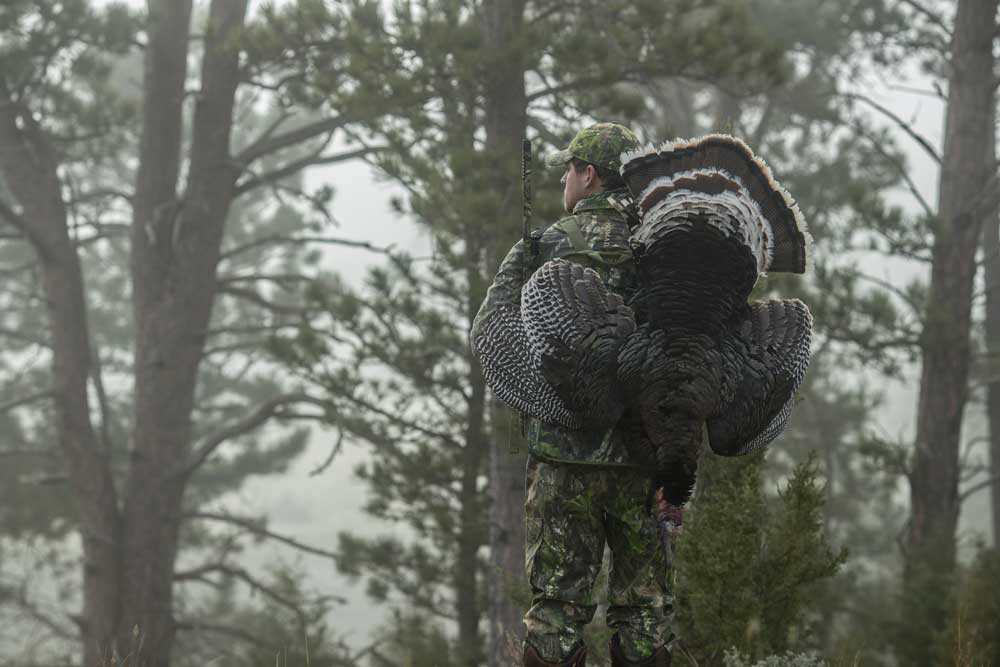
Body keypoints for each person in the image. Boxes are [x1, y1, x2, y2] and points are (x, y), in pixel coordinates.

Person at [470, 123, 673, 667]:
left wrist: (546, 402)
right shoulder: (661, 251)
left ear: (589, 174)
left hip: (563, 464)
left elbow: (490, 330)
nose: (563, 178)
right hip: (643, 463)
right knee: (645, 611)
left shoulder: (544, 244)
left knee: (557, 610)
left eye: (569, 169)